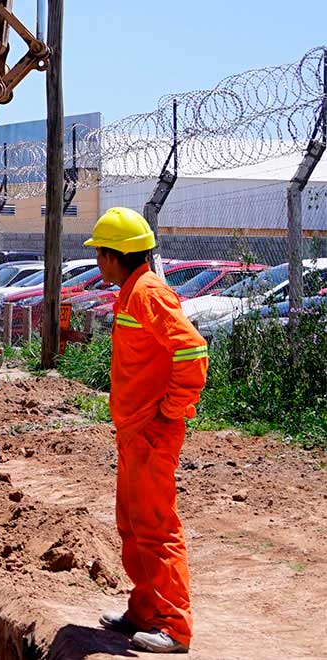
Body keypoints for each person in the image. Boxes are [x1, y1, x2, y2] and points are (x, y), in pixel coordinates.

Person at [85, 207, 208, 654]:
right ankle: (144, 610)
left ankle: (174, 627)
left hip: (151, 431)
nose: (98, 262)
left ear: (115, 256)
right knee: (133, 526)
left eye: (100, 254)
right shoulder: (133, 291)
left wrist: (172, 411)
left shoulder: (148, 294)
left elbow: (192, 350)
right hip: (135, 431)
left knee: (156, 528)